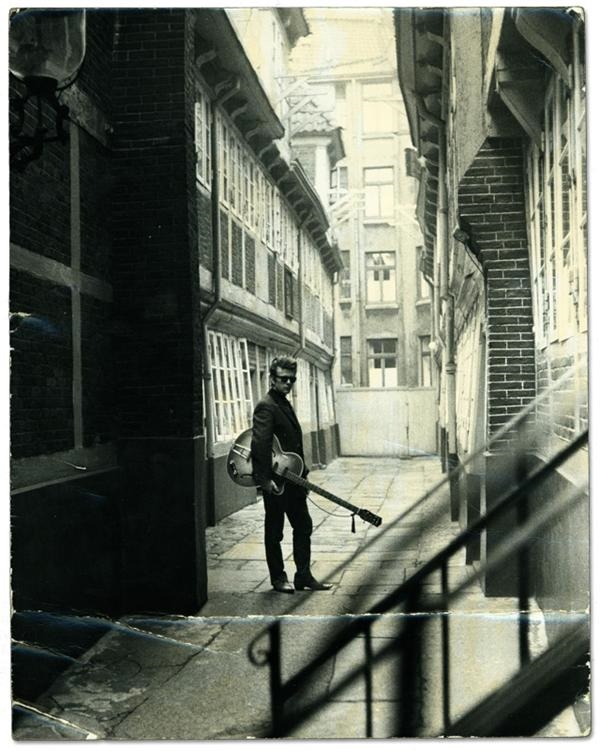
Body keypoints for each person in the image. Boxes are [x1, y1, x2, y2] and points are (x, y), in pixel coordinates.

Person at [251, 355, 331, 593]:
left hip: (294, 480)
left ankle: (303, 576)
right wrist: (264, 480)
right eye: (284, 379)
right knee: (274, 531)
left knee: (304, 525)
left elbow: (291, 445)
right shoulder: (266, 405)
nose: (288, 384)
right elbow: (260, 444)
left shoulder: (284, 403)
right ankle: (278, 578)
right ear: (272, 379)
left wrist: (303, 475)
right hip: (276, 482)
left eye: (292, 380)